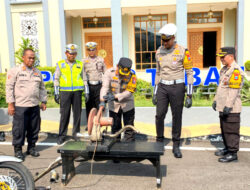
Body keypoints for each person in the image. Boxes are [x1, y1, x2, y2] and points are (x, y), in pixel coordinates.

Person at [153, 23, 193, 158]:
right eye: (162, 40)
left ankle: (176, 144)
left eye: (167, 40)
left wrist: (190, 94)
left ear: (173, 38)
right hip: (163, 87)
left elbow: (189, 72)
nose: (164, 43)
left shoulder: (183, 51)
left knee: (177, 116)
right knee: (159, 115)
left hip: (177, 87)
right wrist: (155, 91)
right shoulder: (159, 51)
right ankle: (159, 141)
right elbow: (158, 72)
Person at [5, 48, 47, 161]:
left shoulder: (37, 72)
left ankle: (31, 148)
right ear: (23, 58)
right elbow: (9, 88)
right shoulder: (15, 71)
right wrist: (10, 104)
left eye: (33, 58)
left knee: (34, 128)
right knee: (19, 129)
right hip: (20, 106)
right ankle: (18, 150)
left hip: (34, 105)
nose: (31, 60)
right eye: (29, 57)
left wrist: (43, 101)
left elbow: (42, 88)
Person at [212, 47, 244, 163]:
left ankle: (233, 153)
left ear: (231, 56)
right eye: (220, 57)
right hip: (223, 106)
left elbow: (233, 91)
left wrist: (228, 105)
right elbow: (221, 87)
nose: (221, 59)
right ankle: (227, 148)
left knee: (231, 130)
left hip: (231, 108)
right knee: (224, 128)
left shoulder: (235, 71)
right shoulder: (225, 69)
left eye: (223, 57)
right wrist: (215, 100)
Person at [100, 57, 137, 142]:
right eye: (121, 72)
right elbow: (104, 87)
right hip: (114, 105)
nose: (123, 75)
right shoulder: (109, 73)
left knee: (129, 128)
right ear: (117, 66)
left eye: (125, 73)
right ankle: (116, 147)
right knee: (115, 128)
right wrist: (102, 101)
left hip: (127, 103)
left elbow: (129, 91)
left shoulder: (132, 75)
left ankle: (129, 147)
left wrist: (116, 96)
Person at [54, 44, 84, 145]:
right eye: (70, 53)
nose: (72, 55)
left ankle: (76, 134)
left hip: (77, 92)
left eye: (74, 53)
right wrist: (56, 92)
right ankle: (62, 135)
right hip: (65, 93)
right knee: (64, 115)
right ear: (66, 53)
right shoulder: (60, 64)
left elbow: (84, 78)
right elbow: (56, 78)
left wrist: (87, 91)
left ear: (76, 54)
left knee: (77, 114)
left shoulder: (80, 64)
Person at [82, 42, 106, 124]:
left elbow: (105, 72)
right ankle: (89, 124)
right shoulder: (84, 61)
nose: (91, 51)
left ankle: (99, 123)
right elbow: (84, 75)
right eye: (89, 50)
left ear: (96, 50)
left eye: (93, 50)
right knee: (89, 105)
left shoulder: (100, 60)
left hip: (99, 85)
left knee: (99, 105)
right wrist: (85, 88)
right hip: (89, 86)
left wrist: (105, 86)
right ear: (87, 51)